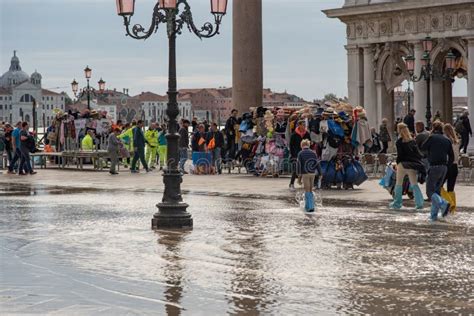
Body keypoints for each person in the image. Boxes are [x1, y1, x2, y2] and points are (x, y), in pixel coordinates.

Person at [421, 121, 454, 221]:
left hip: (434, 166)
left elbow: (423, 147)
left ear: (433, 128)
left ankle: (443, 203)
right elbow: (451, 156)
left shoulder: (432, 137)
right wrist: (447, 166)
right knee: (437, 191)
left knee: (430, 191)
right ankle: (433, 215)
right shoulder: (447, 139)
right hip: (444, 168)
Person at [390, 123, 424, 210]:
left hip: (402, 164)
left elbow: (400, 155)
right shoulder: (412, 141)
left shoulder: (399, 142)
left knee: (399, 183)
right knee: (414, 184)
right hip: (412, 165)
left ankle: (397, 203)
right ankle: (419, 203)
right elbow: (418, 154)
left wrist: (397, 164)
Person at [297, 139, 319, 213]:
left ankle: (310, 207)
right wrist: (320, 173)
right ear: (308, 145)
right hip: (312, 173)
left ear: (302, 145)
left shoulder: (300, 153)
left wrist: (299, 177)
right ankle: (309, 205)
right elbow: (317, 163)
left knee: (307, 190)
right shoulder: (313, 153)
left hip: (305, 173)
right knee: (310, 189)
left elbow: (299, 165)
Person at [289, 120, 311, 191]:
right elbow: (291, 145)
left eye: (305, 125)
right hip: (296, 154)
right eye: (303, 125)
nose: (304, 126)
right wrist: (293, 155)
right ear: (299, 125)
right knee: (295, 169)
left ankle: (306, 184)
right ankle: (291, 184)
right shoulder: (294, 134)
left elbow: (309, 143)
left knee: (305, 169)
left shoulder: (307, 134)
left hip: (305, 154)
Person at [443, 124, 460, 213]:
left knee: (439, 186)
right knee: (451, 188)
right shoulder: (456, 142)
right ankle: (453, 210)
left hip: (448, 165)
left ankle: (450, 202)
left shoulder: (447, 141)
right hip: (455, 166)